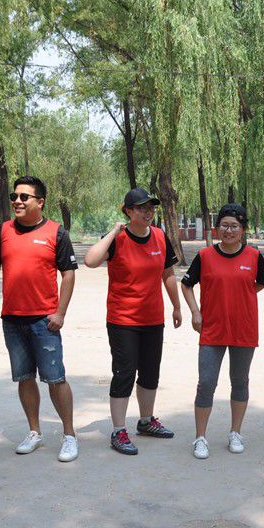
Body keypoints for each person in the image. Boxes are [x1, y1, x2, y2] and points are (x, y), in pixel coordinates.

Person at [0, 176, 80, 462]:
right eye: (14, 196)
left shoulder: (56, 232)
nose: (17, 201)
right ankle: (34, 431)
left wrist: (60, 313)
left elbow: (68, 274)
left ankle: (69, 435)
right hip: (13, 320)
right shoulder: (2, 231)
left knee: (55, 378)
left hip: (45, 321)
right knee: (24, 377)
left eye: (24, 197)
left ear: (40, 202)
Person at [84, 187, 182, 455]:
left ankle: (146, 421)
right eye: (141, 208)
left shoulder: (160, 236)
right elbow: (90, 260)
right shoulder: (118, 239)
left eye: (151, 208)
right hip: (123, 320)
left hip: (153, 318)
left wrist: (176, 306)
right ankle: (118, 430)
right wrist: (113, 232)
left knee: (150, 371)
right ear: (128, 211)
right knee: (125, 373)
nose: (148, 213)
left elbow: (168, 273)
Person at [180, 204, 264, 459]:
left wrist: (241, 297)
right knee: (206, 383)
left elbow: (261, 282)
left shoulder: (253, 256)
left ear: (243, 230)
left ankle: (235, 432)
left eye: (234, 226)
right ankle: (200, 437)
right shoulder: (205, 256)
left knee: (240, 381)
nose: (229, 231)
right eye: (224, 225)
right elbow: (186, 285)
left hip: (244, 328)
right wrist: (195, 312)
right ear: (217, 228)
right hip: (212, 329)